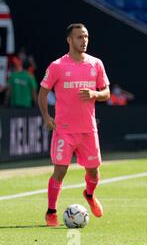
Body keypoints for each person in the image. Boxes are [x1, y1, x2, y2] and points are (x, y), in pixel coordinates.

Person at [38, 23, 110, 226]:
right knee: (60, 169)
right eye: (79, 37)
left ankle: (89, 194)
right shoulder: (57, 66)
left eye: (86, 36)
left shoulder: (96, 64)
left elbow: (106, 93)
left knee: (93, 171)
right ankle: (51, 211)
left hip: (88, 129)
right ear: (69, 40)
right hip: (65, 130)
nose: (84, 40)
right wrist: (46, 116)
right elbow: (43, 93)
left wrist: (94, 93)